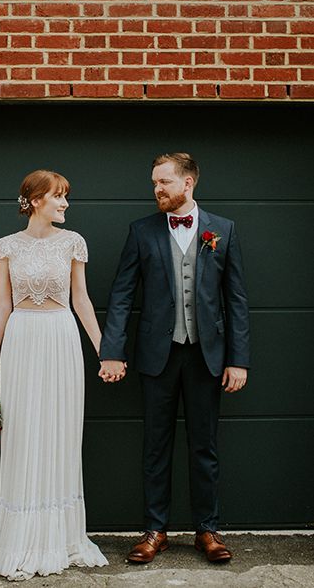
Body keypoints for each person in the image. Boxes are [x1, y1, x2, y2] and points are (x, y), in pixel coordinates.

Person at [99, 153, 250, 564]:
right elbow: (122, 294)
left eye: (164, 182)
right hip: (156, 357)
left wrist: (239, 360)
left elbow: (235, 300)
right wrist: (112, 350)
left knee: (205, 447)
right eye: (154, 183)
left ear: (188, 184)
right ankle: (155, 529)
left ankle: (208, 530)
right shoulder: (142, 231)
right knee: (155, 446)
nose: (157, 190)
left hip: (207, 358)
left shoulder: (223, 230)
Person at [0, 169, 109, 580]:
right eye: (58, 197)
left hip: (61, 338)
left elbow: (82, 299)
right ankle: (22, 539)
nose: (65, 204)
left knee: (59, 432)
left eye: (66, 197)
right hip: (21, 339)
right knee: (23, 434)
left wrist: (105, 350)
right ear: (35, 201)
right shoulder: (6, 246)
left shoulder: (73, 242)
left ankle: (61, 537)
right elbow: (2, 305)